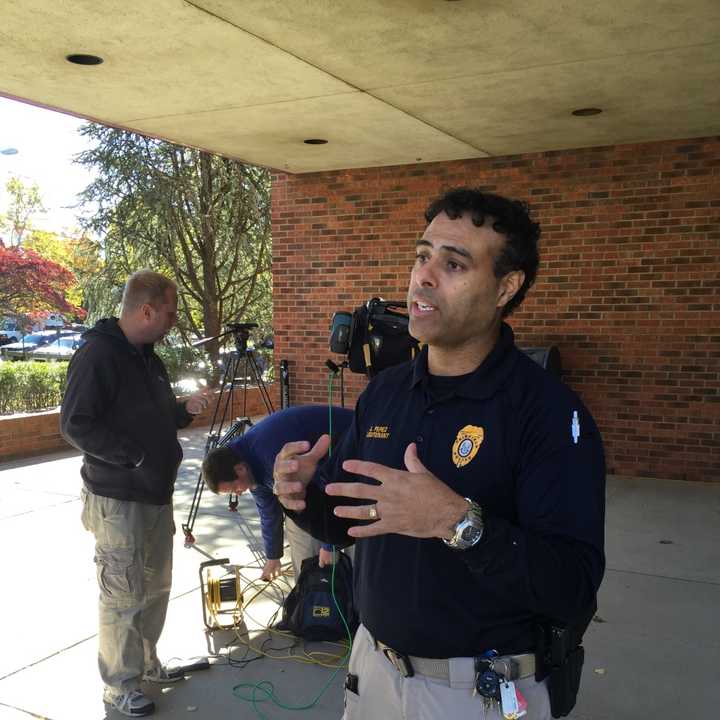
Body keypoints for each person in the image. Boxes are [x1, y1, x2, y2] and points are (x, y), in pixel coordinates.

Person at [272, 188, 606, 720]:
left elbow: (572, 586)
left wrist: (457, 522)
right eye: (422, 255)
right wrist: (299, 497)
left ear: (506, 288)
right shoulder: (385, 392)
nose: (423, 277)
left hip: (477, 692)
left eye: (454, 264)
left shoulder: (545, 411)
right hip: (373, 672)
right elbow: (348, 521)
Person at [60, 270, 211, 718]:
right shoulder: (98, 355)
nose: (173, 321)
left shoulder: (148, 357)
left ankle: (147, 665)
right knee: (123, 593)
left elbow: (152, 414)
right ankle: (119, 685)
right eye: (170, 312)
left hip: (155, 496)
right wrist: (134, 457)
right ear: (146, 310)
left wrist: (182, 411)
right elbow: (75, 424)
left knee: (156, 587)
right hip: (118, 498)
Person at [202, 405, 354, 580]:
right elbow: (268, 512)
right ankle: (311, 590)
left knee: (309, 533)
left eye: (234, 489)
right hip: (327, 467)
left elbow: (327, 491)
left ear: (240, 469)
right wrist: (273, 556)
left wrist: (330, 546)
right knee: (300, 526)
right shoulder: (245, 463)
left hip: (355, 445)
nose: (238, 493)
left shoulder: (270, 455)